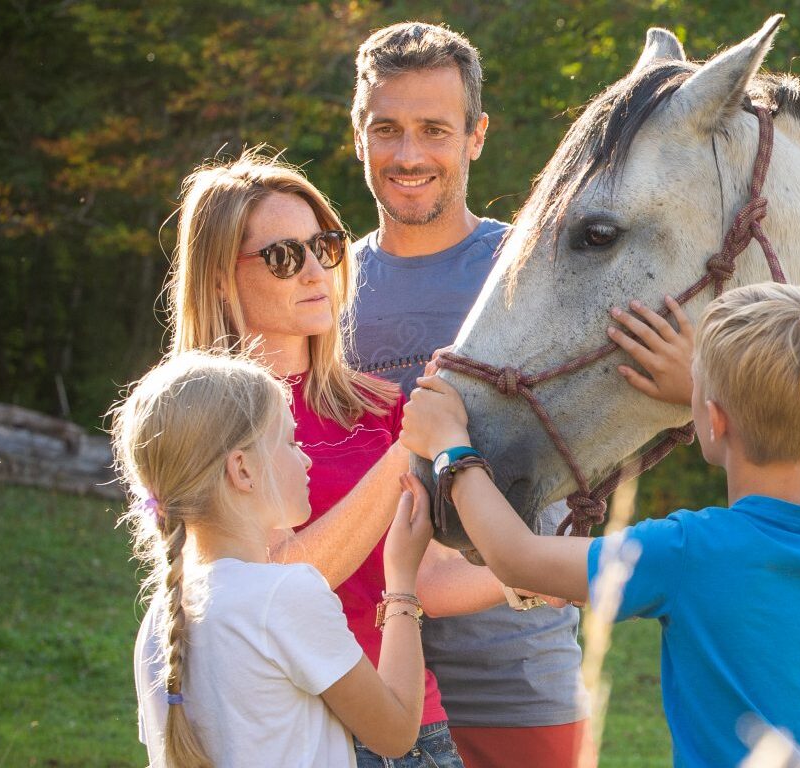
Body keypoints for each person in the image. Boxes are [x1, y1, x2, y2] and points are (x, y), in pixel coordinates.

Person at [402, 284, 800, 767]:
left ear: (715, 419)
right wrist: (714, 395)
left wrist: (451, 444)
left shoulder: (687, 553)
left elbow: (517, 559)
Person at [165, 150, 465, 765]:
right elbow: (269, 583)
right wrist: (410, 446)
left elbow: (423, 576)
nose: (313, 271)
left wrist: (552, 573)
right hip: (285, 734)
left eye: (324, 246)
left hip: (408, 723)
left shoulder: (377, 406)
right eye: (282, 256)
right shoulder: (192, 422)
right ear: (220, 277)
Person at [343, 21, 585, 766]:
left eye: (434, 130)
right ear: (358, 135)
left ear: (476, 135)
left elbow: (594, 447)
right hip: (359, 667)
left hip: (516, 672)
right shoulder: (323, 291)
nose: (409, 155)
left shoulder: (532, 276)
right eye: (387, 129)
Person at [115, 350, 434, 767]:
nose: (305, 458)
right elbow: (395, 733)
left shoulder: (161, 618)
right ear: (242, 469)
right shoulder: (285, 594)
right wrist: (402, 583)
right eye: (289, 441)